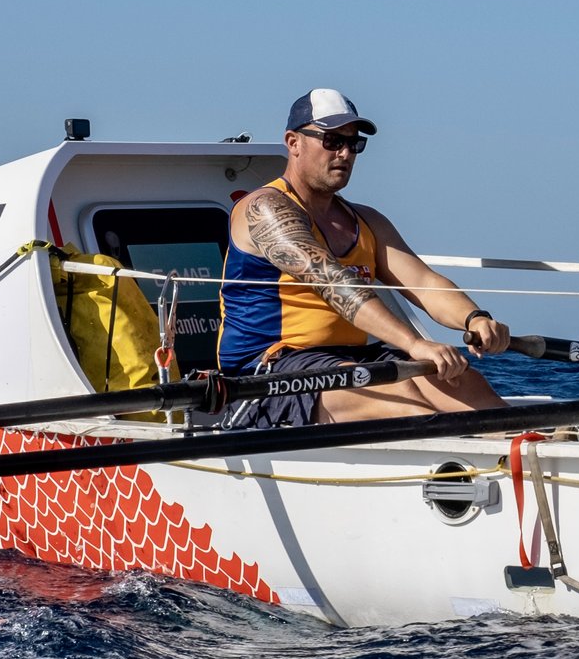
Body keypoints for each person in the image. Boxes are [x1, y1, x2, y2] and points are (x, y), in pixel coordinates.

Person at [215, 89, 511, 428]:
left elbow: (425, 283)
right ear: (293, 142)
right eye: (332, 140)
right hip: (269, 371)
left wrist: (474, 318)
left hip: (349, 359)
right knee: (408, 408)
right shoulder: (264, 208)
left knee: (469, 388)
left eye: (353, 144)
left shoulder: (368, 220)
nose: (344, 153)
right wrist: (414, 343)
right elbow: (335, 284)